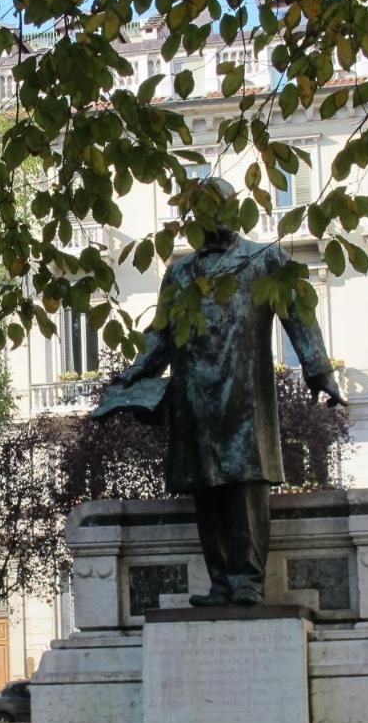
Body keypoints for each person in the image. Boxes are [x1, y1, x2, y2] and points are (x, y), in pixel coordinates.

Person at [104, 178, 347, 605]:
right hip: (193, 394)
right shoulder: (181, 272)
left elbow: (298, 314)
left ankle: (246, 580)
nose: (211, 216)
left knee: (246, 483)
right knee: (206, 486)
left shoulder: (264, 259)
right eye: (202, 209)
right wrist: (133, 372)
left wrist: (318, 370)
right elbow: (160, 334)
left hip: (244, 392)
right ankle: (220, 582)